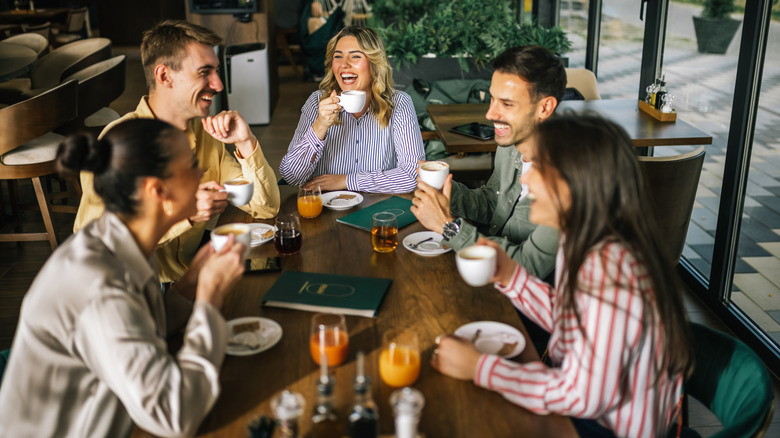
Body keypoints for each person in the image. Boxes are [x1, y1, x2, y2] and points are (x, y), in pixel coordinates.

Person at [431, 115, 693, 438]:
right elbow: (576, 315)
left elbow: (582, 396)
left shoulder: (611, 269)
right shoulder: (584, 234)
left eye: (537, 167)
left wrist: (480, 368)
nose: (526, 181)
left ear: (574, 182)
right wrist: (509, 274)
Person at [0, 119, 245, 437]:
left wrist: (189, 287)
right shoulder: (99, 285)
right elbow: (175, 415)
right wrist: (209, 297)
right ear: (158, 191)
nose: (201, 174)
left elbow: (137, 329)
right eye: (192, 166)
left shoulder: (117, 238)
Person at [73, 19, 280, 283]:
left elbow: (266, 208)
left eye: (216, 71)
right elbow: (96, 251)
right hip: (140, 291)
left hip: (194, 276)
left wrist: (245, 142)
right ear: (164, 76)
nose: (218, 85)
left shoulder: (206, 133)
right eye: (204, 72)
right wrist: (183, 214)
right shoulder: (117, 145)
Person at [411, 45, 565, 279]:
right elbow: (494, 202)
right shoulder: (511, 143)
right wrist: (448, 192)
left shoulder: (569, 176)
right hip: (485, 269)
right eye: (492, 99)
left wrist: (447, 226)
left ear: (545, 107)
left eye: (507, 104)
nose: (490, 114)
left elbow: (529, 266)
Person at [279, 26, 425, 193]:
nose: (344, 65)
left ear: (375, 64)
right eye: (338, 57)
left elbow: (413, 175)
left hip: (377, 211)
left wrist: (346, 180)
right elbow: (291, 177)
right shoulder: (316, 103)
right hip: (325, 208)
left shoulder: (399, 103)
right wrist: (320, 126)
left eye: (355, 56)